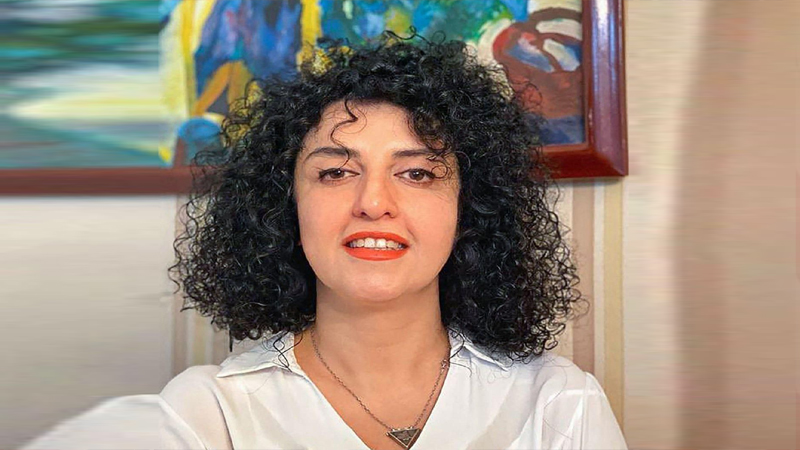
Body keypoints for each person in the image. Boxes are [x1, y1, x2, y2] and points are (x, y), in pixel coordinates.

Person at [23, 33, 627, 450]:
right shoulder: (207, 413)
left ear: (470, 209)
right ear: (285, 206)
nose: (373, 201)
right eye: (336, 172)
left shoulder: (558, 402)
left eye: (418, 173)